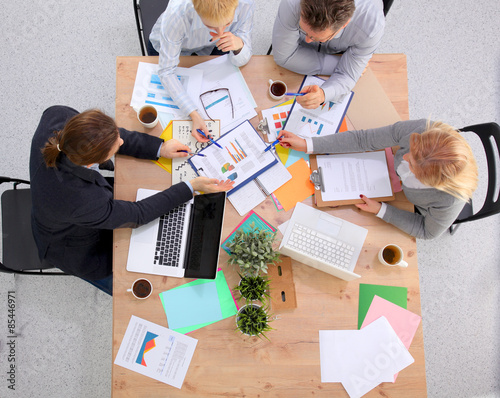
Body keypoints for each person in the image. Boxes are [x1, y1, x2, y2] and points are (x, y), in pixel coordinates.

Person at [29, 106, 233, 295]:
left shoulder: (57, 117)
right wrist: (191, 187)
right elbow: (138, 214)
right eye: (114, 147)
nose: (121, 142)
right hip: (79, 248)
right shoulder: (81, 199)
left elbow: (107, 135)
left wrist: (158, 148)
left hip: (65, 209)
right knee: (133, 278)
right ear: (92, 162)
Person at [278, 119, 479, 239]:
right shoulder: (423, 130)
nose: (405, 156)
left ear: (432, 183)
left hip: (401, 202)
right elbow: (363, 139)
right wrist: (308, 144)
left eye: (413, 165)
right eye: (411, 151)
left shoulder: (450, 199)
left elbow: (427, 231)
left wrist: (382, 210)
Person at [148, 0, 254, 141]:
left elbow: (243, 58)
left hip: (208, 48)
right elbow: (166, 71)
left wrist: (239, 45)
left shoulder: (246, 3)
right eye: (210, 26)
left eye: (228, 24)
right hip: (171, 46)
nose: (220, 33)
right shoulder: (177, 14)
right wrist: (193, 114)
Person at [272, 0, 385, 109]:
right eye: (303, 30)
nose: (307, 40)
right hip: (333, 56)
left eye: (314, 37)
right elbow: (284, 57)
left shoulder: (371, 27)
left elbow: (348, 77)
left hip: (339, 51)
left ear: (344, 24)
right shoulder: (291, 3)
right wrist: (339, 65)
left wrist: (323, 94)